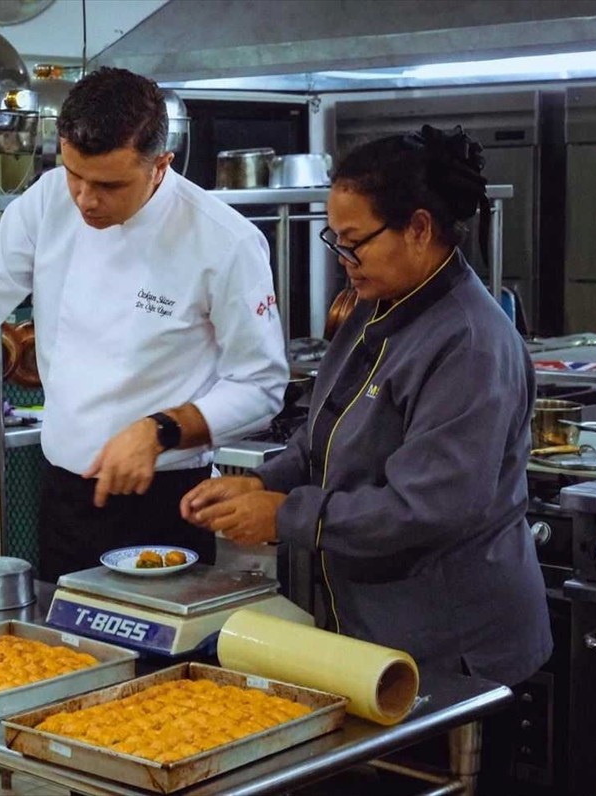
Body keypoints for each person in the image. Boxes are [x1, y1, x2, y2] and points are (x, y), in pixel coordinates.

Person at [181, 125, 551, 788]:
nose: (342, 258)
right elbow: (320, 440)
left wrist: (286, 516)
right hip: (373, 636)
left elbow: (426, 508)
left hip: (455, 648)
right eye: (335, 240)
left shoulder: (468, 342)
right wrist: (256, 486)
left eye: (354, 242)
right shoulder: (375, 307)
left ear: (417, 227)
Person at [0, 67, 289, 581]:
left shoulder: (223, 241)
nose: (85, 199)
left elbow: (261, 385)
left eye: (109, 184)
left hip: (165, 504)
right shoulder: (51, 200)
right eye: (75, 174)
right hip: (65, 498)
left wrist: (160, 431)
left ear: (160, 165)